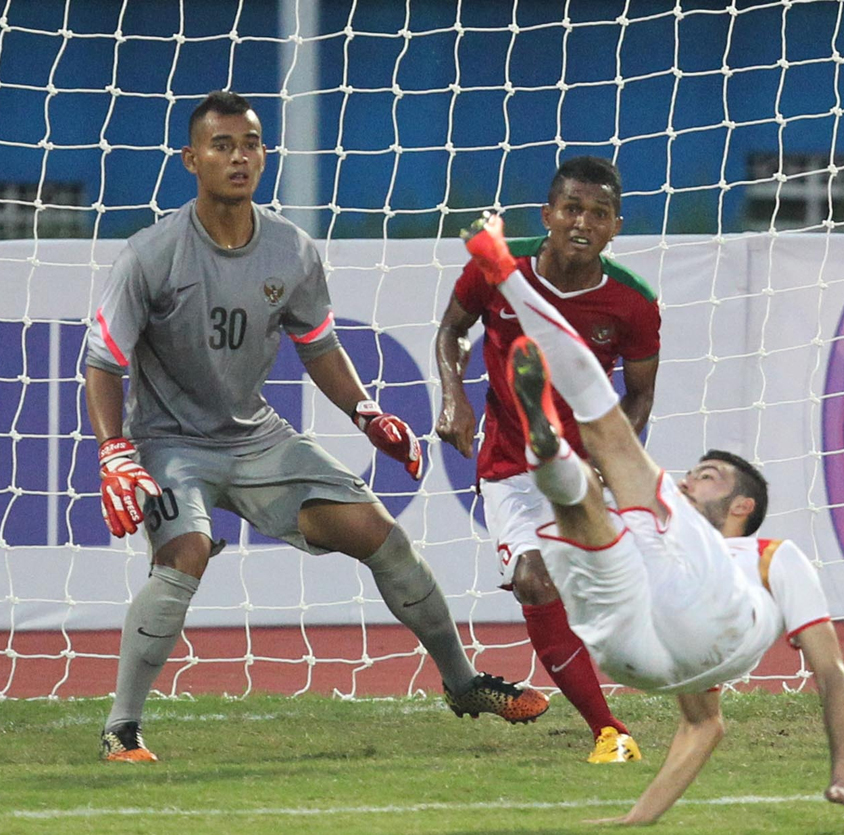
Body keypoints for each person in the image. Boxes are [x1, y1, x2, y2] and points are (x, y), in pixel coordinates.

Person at [84, 90, 548, 762]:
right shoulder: (149, 255)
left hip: (257, 439)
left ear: (264, 153)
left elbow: (319, 344)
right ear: (191, 159)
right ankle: (121, 726)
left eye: (250, 143)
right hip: (169, 445)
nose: (238, 156)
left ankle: (463, 681)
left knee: (382, 535)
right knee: (183, 554)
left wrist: (366, 412)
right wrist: (114, 452)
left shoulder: (291, 250)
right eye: (222, 145)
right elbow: (104, 362)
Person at [461, 212, 844, 826]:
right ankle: (547, 446)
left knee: (608, 444)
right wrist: (637, 821)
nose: (691, 478)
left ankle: (511, 293)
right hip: (639, 652)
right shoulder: (672, 539)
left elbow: (830, 671)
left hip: (701, 625)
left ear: (743, 507)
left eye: (710, 477)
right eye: (695, 471)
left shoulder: (770, 557)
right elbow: (703, 727)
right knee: (587, 505)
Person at [435, 157, 660, 763]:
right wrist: (454, 395)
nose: (582, 223)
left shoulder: (633, 304)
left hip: (581, 468)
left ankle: (694, 674)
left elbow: (639, 395)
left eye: (599, 214)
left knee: (611, 593)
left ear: (616, 226)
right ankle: (609, 732)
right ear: (548, 215)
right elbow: (452, 330)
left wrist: (611, 461)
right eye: (571, 209)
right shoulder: (497, 269)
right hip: (509, 464)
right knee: (533, 581)